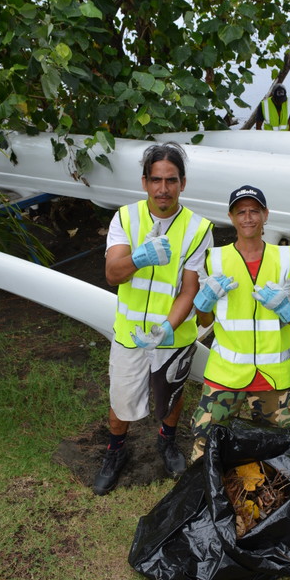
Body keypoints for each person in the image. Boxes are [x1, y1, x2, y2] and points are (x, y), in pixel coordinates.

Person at [93, 142, 213, 495]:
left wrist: (166, 328)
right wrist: (140, 258)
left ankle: (167, 441)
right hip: (130, 332)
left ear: (183, 183)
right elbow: (113, 274)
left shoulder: (198, 228)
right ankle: (115, 450)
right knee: (122, 396)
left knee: (170, 396)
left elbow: (189, 289)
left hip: (172, 333)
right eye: (156, 180)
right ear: (145, 182)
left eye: (171, 180)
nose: (164, 189)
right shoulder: (126, 218)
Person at [189, 185, 290, 461]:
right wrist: (203, 303)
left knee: (275, 449)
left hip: (271, 374)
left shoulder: (285, 259)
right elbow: (204, 319)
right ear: (231, 217)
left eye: (255, 211)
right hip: (226, 373)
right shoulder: (215, 259)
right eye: (241, 212)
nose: (248, 217)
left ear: (266, 215)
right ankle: (204, 494)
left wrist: (287, 310)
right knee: (205, 442)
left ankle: (267, 497)